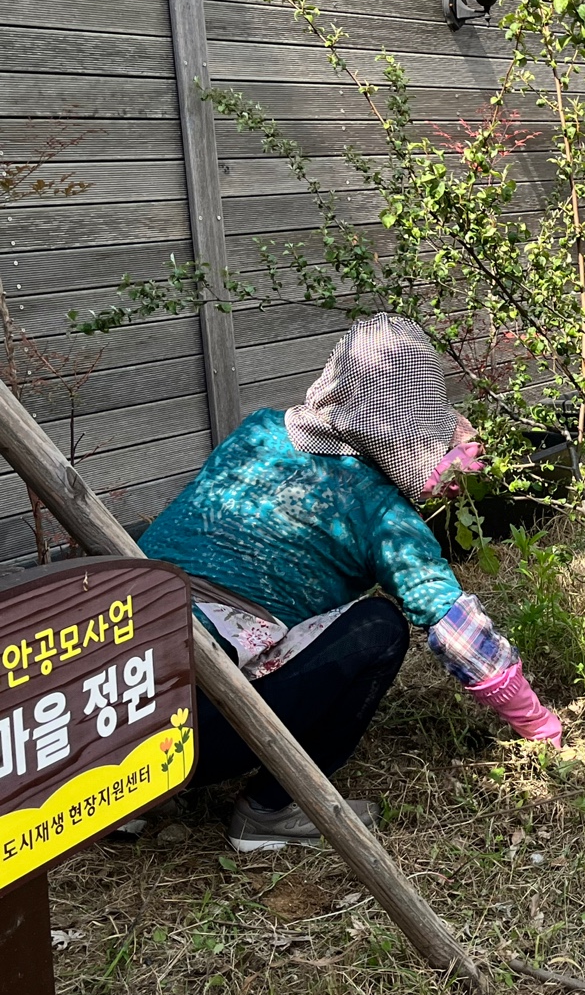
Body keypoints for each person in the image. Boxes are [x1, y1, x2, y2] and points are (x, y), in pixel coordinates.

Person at [141, 313, 562, 853]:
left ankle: (130, 800)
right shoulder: (380, 515)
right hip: (191, 735)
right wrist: (540, 726)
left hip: (111, 697)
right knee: (380, 629)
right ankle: (270, 809)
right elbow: (458, 632)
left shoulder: (258, 431)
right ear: (414, 428)